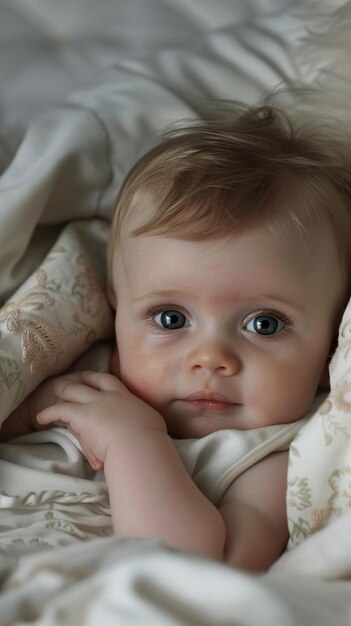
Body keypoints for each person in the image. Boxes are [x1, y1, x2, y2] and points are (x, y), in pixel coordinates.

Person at [2, 101, 351, 571]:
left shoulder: (272, 459)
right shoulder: (78, 367)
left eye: (264, 324)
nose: (210, 358)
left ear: (331, 342)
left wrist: (133, 440)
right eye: (170, 318)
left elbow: (203, 569)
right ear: (115, 307)